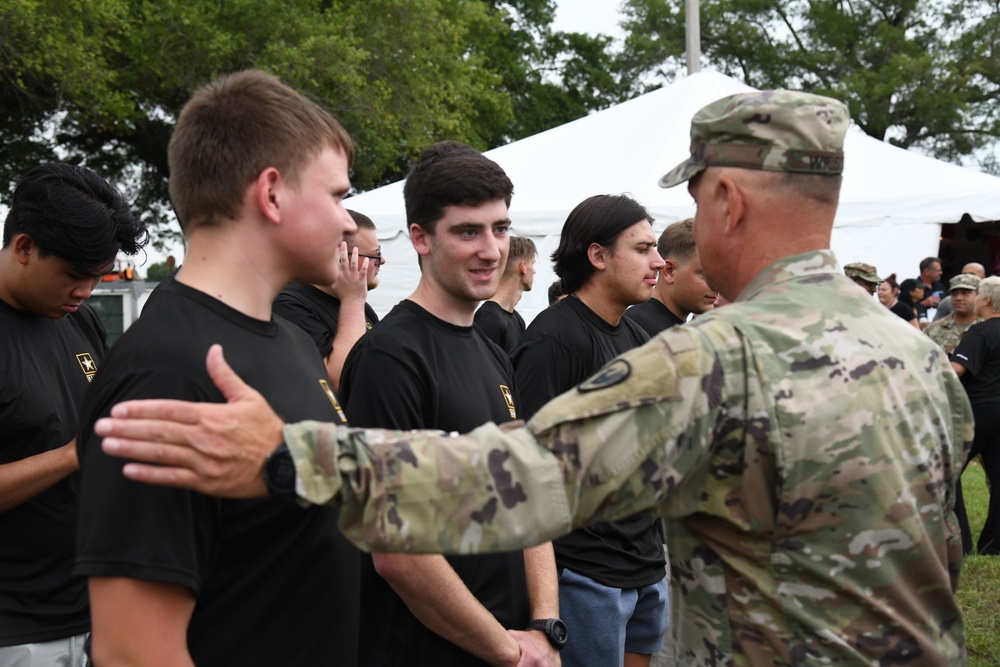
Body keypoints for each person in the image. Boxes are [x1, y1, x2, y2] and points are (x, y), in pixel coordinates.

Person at [93, 90, 974, 666]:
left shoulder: (717, 358)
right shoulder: (921, 356)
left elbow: (519, 478)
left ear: (727, 203)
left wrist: (291, 458)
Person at [74, 70, 363, 667]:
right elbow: (134, 651)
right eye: (337, 195)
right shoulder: (167, 372)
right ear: (272, 193)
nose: (347, 223)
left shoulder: (288, 339)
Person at [338, 141, 558, 667]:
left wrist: (546, 626)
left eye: (500, 229)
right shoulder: (389, 357)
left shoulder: (490, 349)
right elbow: (397, 553)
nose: (491, 250)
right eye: (467, 231)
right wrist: (510, 650)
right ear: (420, 238)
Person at [0, 163, 148, 667]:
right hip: (16, 631)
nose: (86, 291)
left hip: (93, 611)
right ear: (24, 248)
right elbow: (79, 450)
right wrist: (71, 456)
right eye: (72, 274)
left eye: (96, 276)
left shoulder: (80, 320)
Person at [512, 194, 669, 667]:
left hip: (645, 564)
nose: (659, 262)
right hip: (587, 574)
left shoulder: (637, 337)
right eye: (642, 249)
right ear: (598, 256)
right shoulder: (552, 339)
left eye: (656, 248)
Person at [273, 209, 384, 391]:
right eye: (376, 255)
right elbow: (338, 381)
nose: (383, 261)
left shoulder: (362, 308)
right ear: (340, 258)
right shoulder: (289, 306)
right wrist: (353, 300)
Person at [951, 276, 1000, 555]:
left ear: (987, 300)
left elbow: (956, 371)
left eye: (978, 294)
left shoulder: (979, 333)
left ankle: (960, 543)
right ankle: (994, 546)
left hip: (979, 410)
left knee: (950, 471)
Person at [625, 218, 717, 335]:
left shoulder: (675, 329)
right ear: (670, 270)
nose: (717, 287)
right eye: (706, 275)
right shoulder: (639, 327)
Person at [474, 235, 537, 353]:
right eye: (532, 263)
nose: (534, 270)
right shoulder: (489, 320)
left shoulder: (517, 319)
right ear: (523, 267)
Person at [925, 273, 982, 355]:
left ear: (978, 295)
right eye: (954, 293)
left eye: (965, 293)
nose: (958, 298)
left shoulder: (989, 328)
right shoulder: (932, 329)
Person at [914, 256, 945, 320]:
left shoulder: (940, 286)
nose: (941, 273)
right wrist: (923, 304)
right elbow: (905, 307)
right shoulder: (913, 286)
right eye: (938, 270)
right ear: (927, 272)